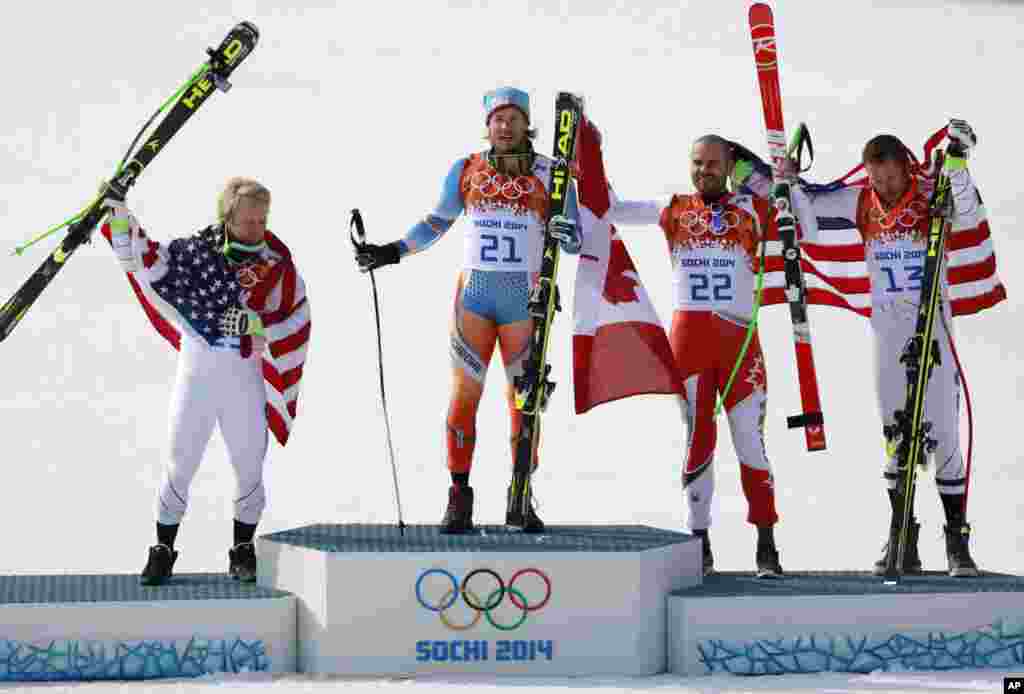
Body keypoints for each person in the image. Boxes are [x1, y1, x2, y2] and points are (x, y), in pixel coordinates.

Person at [745, 119, 993, 577]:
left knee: (943, 433)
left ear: (905, 167)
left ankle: (957, 541)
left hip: (932, 326)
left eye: (892, 178)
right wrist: (789, 183)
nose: (885, 187)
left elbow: (967, 213)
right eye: (877, 179)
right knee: (893, 433)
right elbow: (812, 227)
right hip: (886, 331)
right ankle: (902, 535)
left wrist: (958, 163)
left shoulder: (930, 194)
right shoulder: (862, 199)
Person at [354, 87, 582, 534]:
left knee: (525, 403)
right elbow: (437, 222)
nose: (505, 126)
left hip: (526, 301)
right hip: (474, 298)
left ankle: (521, 494)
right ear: (487, 124)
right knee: (462, 399)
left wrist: (565, 230)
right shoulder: (466, 169)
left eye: (513, 118)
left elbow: (575, 241)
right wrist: (393, 251)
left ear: (526, 123)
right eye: (498, 118)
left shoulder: (553, 173)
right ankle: (458, 496)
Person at [576, 129, 783, 578]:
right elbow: (608, 205)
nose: (702, 171)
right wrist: (589, 148)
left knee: (751, 444)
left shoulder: (754, 207)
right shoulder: (672, 208)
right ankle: (699, 541)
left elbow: (790, 200)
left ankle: (766, 544)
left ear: (728, 166)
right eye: (696, 163)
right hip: (689, 344)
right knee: (697, 441)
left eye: (711, 163)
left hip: (740, 346)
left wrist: (758, 168)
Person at [100, 177, 311, 585]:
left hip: (244, 375)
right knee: (180, 462)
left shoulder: (278, 265)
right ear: (228, 216)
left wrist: (257, 323)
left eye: (262, 221)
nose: (256, 229)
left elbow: (295, 315)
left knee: (249, 465)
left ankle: (243, 549)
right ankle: (162, 549)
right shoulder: (195, 253)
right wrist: (121, 215)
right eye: (248, 221)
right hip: (197, 370)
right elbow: (145, 262)